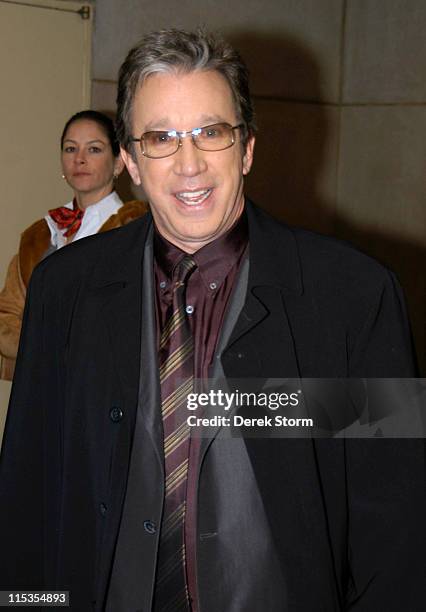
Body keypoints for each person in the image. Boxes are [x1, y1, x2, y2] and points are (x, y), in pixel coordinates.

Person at [0, 29, 424, 612]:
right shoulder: (63, 290)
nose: (189, 162)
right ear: (130, 161)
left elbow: (398, 521)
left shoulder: (354, 297)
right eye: (161, 138)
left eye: (211, 132)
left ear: (246, 147)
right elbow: (26, 495)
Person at [0, 110, 147, 380]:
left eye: (94, 149)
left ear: (119, 162)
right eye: (70, 149)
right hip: (42, 389)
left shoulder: (134, 230)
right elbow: (6, 317)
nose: (79, 159)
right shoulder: (41, 233)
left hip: (104, 388)